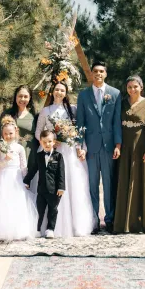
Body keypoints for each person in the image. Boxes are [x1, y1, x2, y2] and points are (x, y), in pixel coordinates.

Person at [34, 81, 97, 237]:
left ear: (66, 93)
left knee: (70, 184)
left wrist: (81, 148)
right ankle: (47, 226)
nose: (59, 92)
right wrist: (49, 142)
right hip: (51, 150)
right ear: (52, 91)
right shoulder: (45, 111)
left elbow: (78, 132)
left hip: (68, 152)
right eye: (56, 89)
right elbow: (38, 132)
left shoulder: (72, 110)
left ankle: (74, 224)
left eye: (62, 90)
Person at [76, 60, 122, 233]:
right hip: (91, 148)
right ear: (92, 74)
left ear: (106, 74)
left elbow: (117, 122)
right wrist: (80, 146)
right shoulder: (83, 95)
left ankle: (109, 219)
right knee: (92, 185)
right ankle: (94, 219)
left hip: (109, 147)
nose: (98, 74)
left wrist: (118, 144)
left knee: (109, 185)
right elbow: (80, 122)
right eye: (95, 71)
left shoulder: (115, 93)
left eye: (101, 71)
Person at [114, 75, 145, 234]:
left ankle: (141, 221)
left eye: (135, 86)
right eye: (129, 87)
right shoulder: (121, 104)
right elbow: (116, 126)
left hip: (141, 148)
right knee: (125, 181)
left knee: (141, 181)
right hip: (125, 148)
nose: (132, 90)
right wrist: (118, 146)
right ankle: (124, 222)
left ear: (141, 87)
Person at [24, 129, 66, 238]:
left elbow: (61, 173)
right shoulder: (39, 156)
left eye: (49, 141)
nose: (47, 144)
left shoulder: (58, 156)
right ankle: (37, 229)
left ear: (54, 142)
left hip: (54, 190)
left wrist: (61, 187)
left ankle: (50, 229)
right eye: (44, 142)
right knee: (39, 210)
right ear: (41, 143)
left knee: (53, 210)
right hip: (41, 189)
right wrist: (26, 181)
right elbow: (33, 170)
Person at [2, 85, 38, 163]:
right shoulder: (7, 114)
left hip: (30, 153)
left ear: (30, 98)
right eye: (20, 96)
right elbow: (0, 135)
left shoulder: (35, 115)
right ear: (15, 97)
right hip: (11, 153)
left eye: (25, 96)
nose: (22, 99)